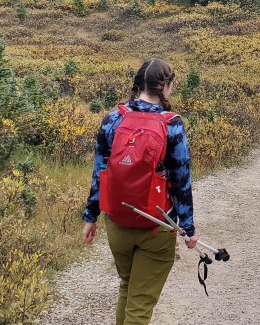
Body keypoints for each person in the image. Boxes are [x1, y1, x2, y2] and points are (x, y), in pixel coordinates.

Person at [83, 57, 199, 325]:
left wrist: (90, 216)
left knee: (128, 286)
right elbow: (181, 180)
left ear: (138, 85)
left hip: (117, 222)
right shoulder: (171, 124)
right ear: (165, 86)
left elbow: (100, 172)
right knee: (140, 304)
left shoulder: (113, 119)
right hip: (156, 225)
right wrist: (188, 228)